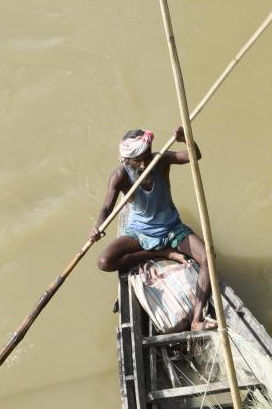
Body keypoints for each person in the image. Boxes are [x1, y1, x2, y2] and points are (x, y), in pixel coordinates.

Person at [90, 125, 214, 331]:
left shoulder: (161, 160)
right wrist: (97, 227)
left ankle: (196, 319)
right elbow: (105, 208)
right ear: (127, 160)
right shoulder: (120, 176)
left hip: (171, 228)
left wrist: (187, 139)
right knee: (104, 262)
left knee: (207, 258)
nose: (145, 162)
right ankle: (161, 252)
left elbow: (195, 155)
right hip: (139, 232)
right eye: (139, 159)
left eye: (147, 156)